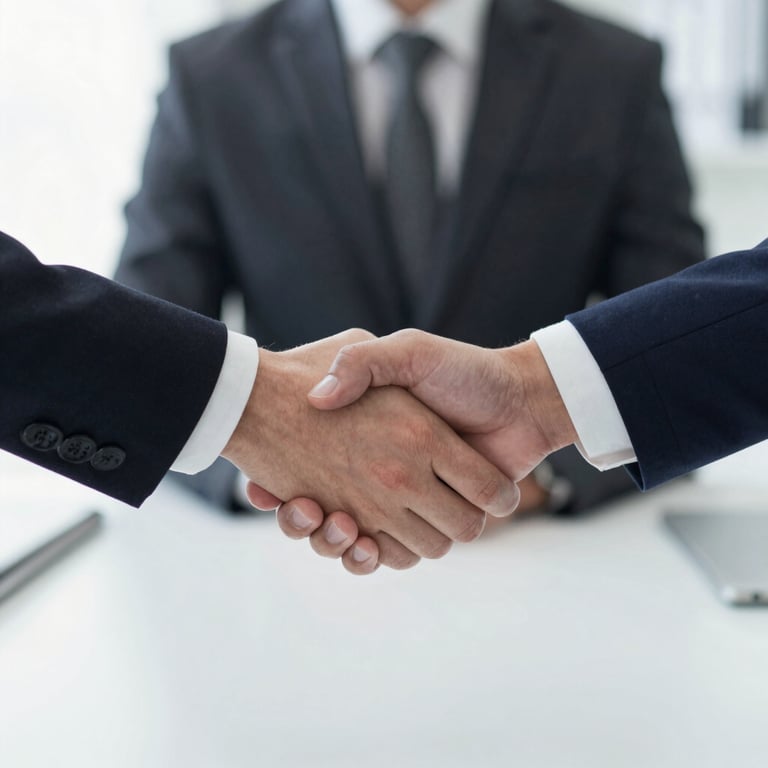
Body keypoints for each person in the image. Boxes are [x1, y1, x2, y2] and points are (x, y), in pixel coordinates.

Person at [115, 0, 704, 516]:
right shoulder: (212, 73)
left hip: (539, 547)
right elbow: (147, 347)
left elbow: (675, 337)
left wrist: (545, 482)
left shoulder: (612, 69)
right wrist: (264, 468)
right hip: (285, 555)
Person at [0, 230, 521, 575]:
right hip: (246, 566)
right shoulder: (207, 74)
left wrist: (523, 465)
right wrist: (257, 430)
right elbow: (152, 300)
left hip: (552, 542)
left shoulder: (599, 68)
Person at [260, 238, 768, 571]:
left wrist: (537, 424)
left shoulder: (611, 74)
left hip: (574, 558)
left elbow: (676, 294)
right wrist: (265, 447)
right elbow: (179, 308)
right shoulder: (209, 74)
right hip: (246, 558)